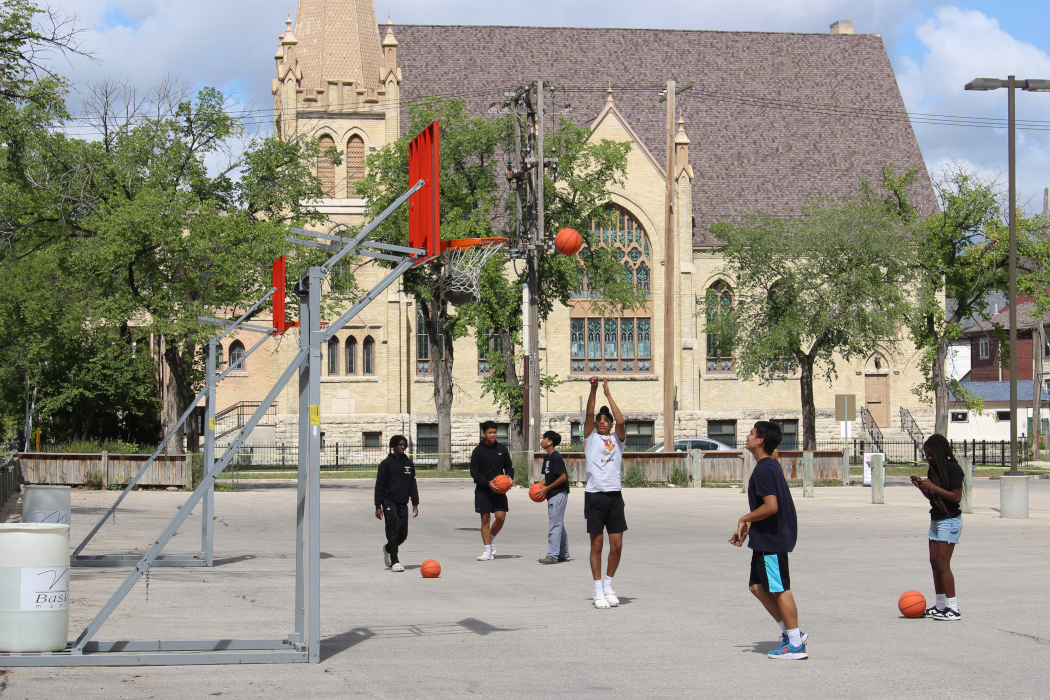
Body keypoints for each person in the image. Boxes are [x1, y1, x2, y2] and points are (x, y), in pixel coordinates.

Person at [729, 421, 807, 660]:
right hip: (765, 538)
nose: (747, 436)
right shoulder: (769, 465)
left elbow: (771, 507)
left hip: (772, 540)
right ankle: (790, 632)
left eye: (752, 433)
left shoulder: (764, 469)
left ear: (760, 439)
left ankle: (795, 644)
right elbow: (767, 506)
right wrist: (750, 526)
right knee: (757, 587)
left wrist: (744, 518)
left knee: (779, 588)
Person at [584, 377, 627, 609]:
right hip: (595, 495)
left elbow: (621, 420)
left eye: (605, 420)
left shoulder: (617, 440)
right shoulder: (590, 439)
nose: (601, 422)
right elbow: (589, 415)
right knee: (597, 545)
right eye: (599, 420)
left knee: (617, 545)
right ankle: (598, 588)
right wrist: (593, 389)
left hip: (614, 496)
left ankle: (609, 585)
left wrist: (608, 394)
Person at [911, 433, 964, 621]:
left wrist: (932, 486)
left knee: (943, 564)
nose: (930, 458)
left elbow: (956, 497)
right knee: (934, 563)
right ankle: (941, 605)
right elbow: (934, 498)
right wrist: (923, 487)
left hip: (950, 520)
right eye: (927, 455)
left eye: (932, 454)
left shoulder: (953, 468)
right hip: (936, 518)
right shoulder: (933, 470)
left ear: (941, 452)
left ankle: (953, 608)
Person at [470, 420, 514, 561]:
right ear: (484, 434)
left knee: (501, 517)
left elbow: (509, 466)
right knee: (485, 519)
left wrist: (509, 477)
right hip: (484, 489)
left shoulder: (501, 449)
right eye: (490, 432)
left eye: (495, 432)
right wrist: (487, 483)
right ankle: (487, 551)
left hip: (499, 490)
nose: (493, 435)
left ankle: (491, 538)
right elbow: (474, 473)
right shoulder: (478, 451)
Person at [374, 435, 418, 573]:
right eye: (400, 445)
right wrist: (378, 506)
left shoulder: (409, 464)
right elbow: (379, 486)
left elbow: (412, 484)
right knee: (392, 531)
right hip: (389, 502)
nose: (403, 447)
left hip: (402, 503)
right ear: (393, 446)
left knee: (402, 534)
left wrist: (415, 502)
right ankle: (395, 560)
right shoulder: (386, 464)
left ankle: (388, 548)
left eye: (404, 445)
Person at [535, 430, 570, 565]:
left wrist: (547, 488)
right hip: (552, 494)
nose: (542, 441)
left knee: (554, 524)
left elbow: (563, 477)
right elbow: (548, 478)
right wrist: (538, 486)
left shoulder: (556, 457)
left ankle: (552, 555)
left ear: (550, 441)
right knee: (558, 523)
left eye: (544, 438)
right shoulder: (548, 458)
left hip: (558, 493)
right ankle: (563, 554)